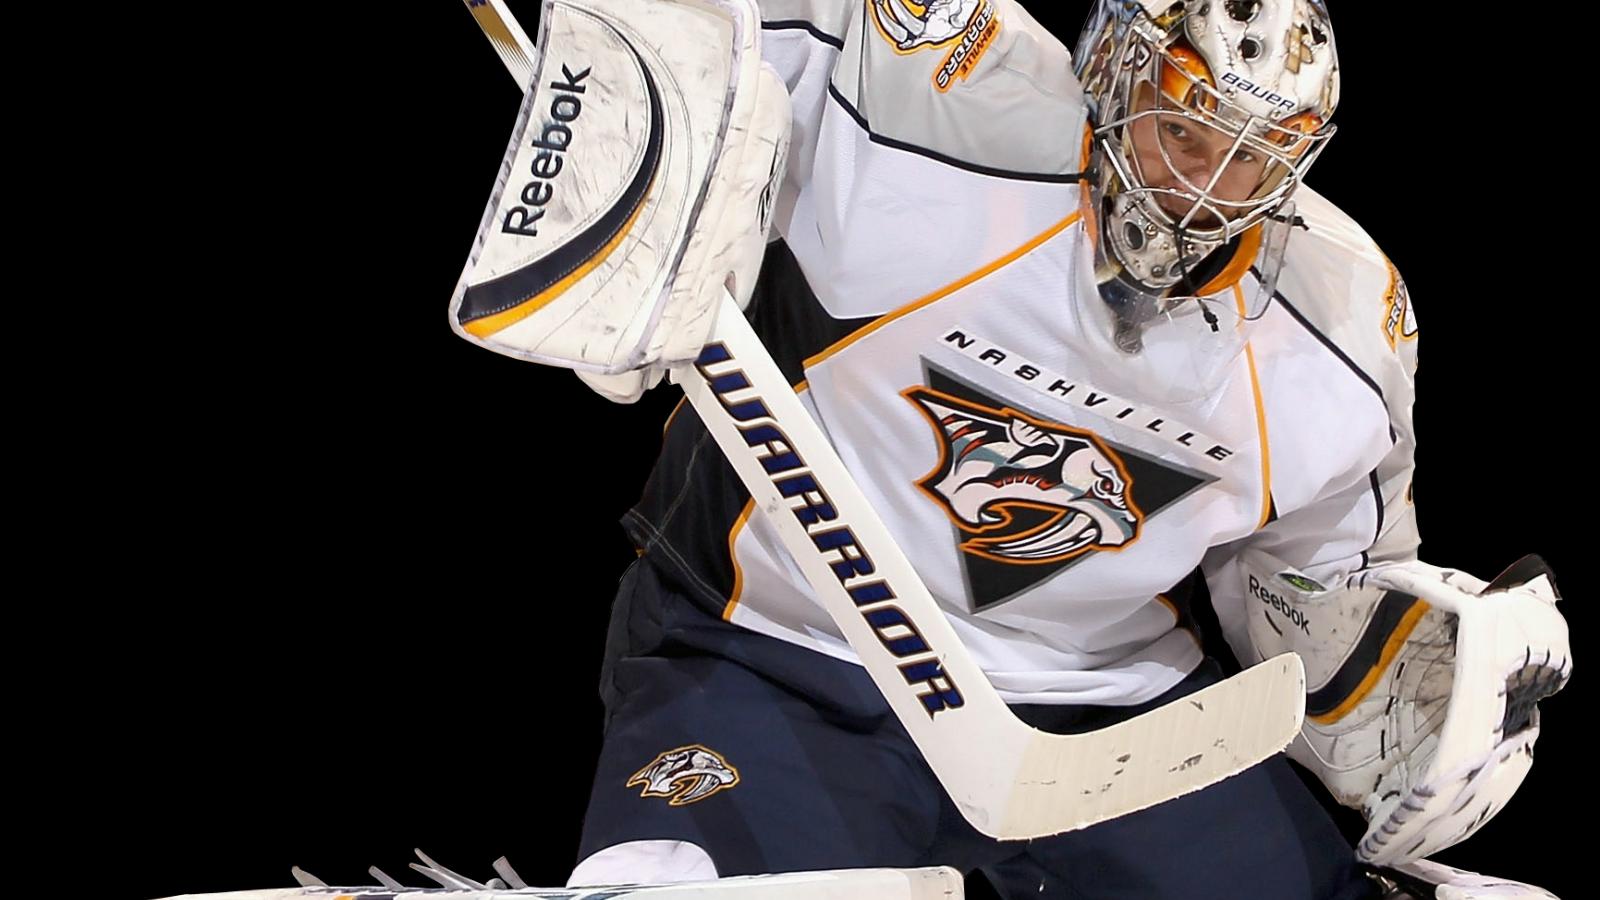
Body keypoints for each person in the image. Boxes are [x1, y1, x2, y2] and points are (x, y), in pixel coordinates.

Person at [519, 1, 1570, 897]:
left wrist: (1414, 668)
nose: (1207, 187)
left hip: (1108, 718)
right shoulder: (927, 108)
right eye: (1183, 131)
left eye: (1253, 156)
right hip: (781, 647)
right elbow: (709, 24)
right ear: (1111, 70)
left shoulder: (1341, 322)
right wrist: (624, 133)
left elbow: (1309, 582)